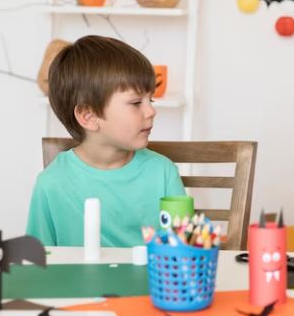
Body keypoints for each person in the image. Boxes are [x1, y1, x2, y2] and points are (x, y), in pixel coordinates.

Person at [27, 35, 185, 247]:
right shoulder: (51, 184)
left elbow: (184, 255)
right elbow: (38, 265)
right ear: (89, 116)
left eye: (151, 99)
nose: (151, 111)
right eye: (136, 102)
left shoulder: (163, 173)